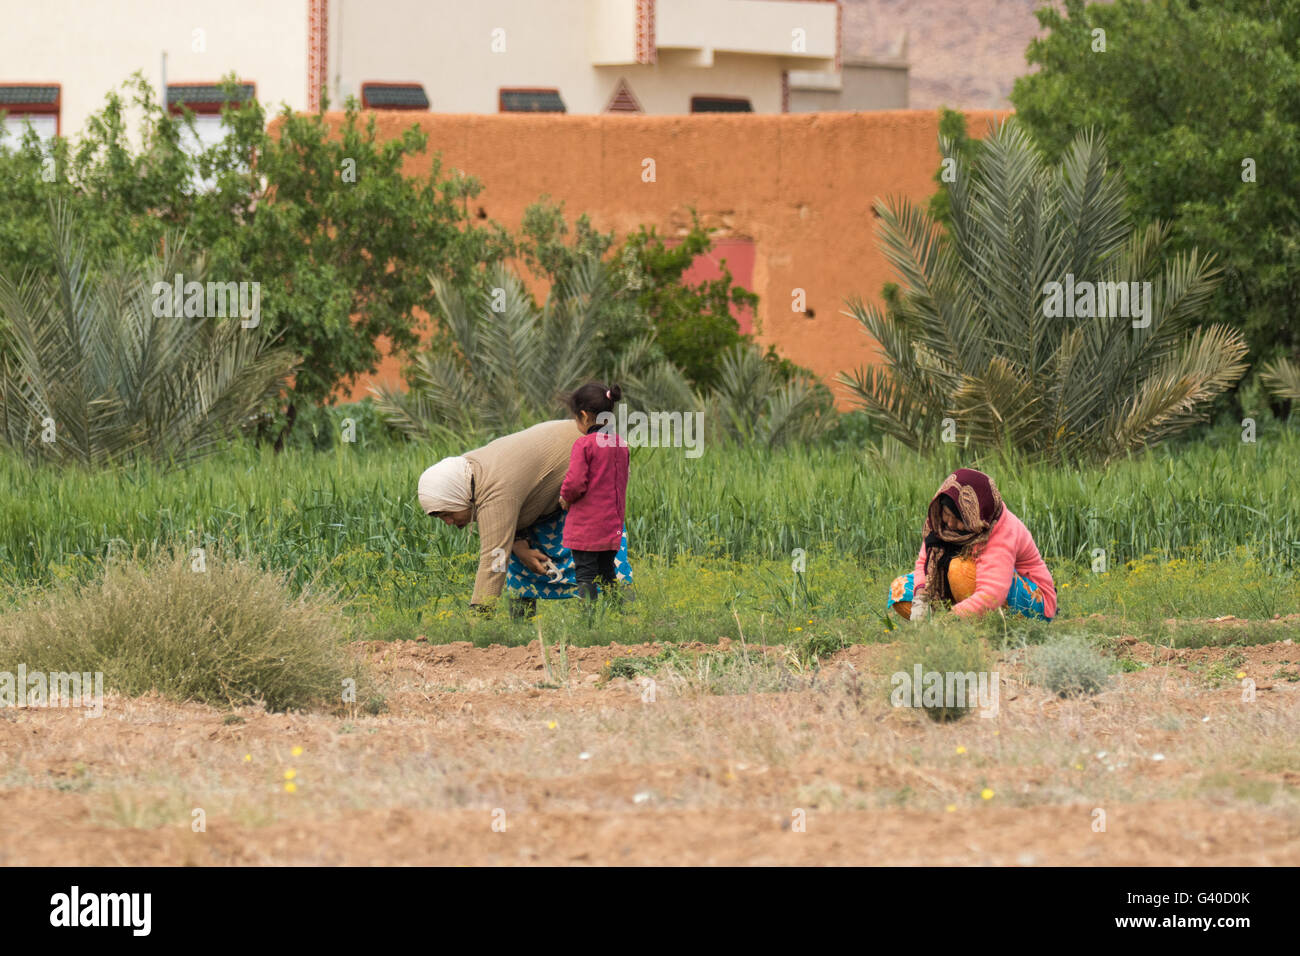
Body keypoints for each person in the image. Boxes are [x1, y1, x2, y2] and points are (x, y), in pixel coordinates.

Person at [887, 468, 1056, 622]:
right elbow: (924, 562)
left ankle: (977, 627)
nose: (951, 524)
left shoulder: (1001, 529)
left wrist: (950, 620)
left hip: (1029, 598)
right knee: (901, 590)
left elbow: (992, 592)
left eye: (959, 520)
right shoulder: (939, 520)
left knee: (960, 569)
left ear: (974, 516)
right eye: (947, 514)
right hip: (970, 589)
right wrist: (921, 599)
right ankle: (949, 628)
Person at [559, 383, 630, 601]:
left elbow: (576, 482)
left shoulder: (585, 445)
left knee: (586, 575)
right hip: (612, 525)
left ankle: (587, 622)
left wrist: (565, 498)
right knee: (607, 572)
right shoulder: (620, 444)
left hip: (587, 527)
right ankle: (615, 616)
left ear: (584, 416)